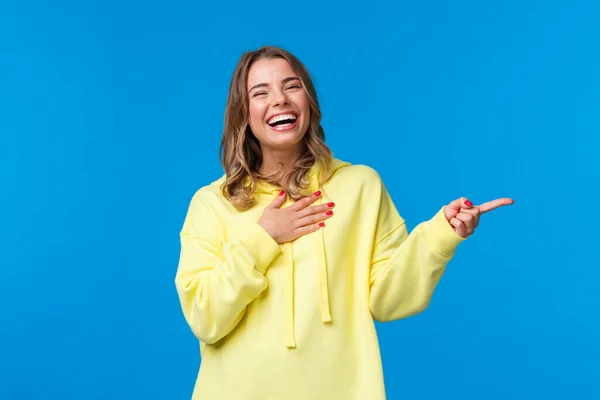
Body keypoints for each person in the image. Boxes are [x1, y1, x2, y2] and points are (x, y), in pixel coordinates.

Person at [174, 45, 513, 400]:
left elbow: (388, 300)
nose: (279, 100)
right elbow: (205, 318)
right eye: (261, 92)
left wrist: (440, 235)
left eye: (292, 86)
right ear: (243, 114)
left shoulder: (360, 186)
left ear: (309, 100)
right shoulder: (212, 203)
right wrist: (263, 238)